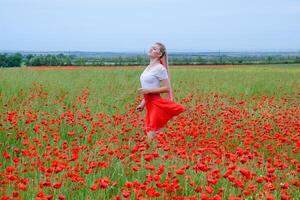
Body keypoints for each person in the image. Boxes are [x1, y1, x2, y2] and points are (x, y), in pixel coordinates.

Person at [136, 42, 185, 139]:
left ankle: (155, 152)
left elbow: (167, 88)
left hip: (156, 104)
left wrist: (149, 91)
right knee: (153, 134)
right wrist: (142, 104)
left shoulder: (160, 69)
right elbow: (148, 87)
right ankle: (159, 150)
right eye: (151, 47)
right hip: (149, 103)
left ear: (159, 55)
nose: (151, 49)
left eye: (154, 49)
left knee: (151, 133)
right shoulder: (148, 68)